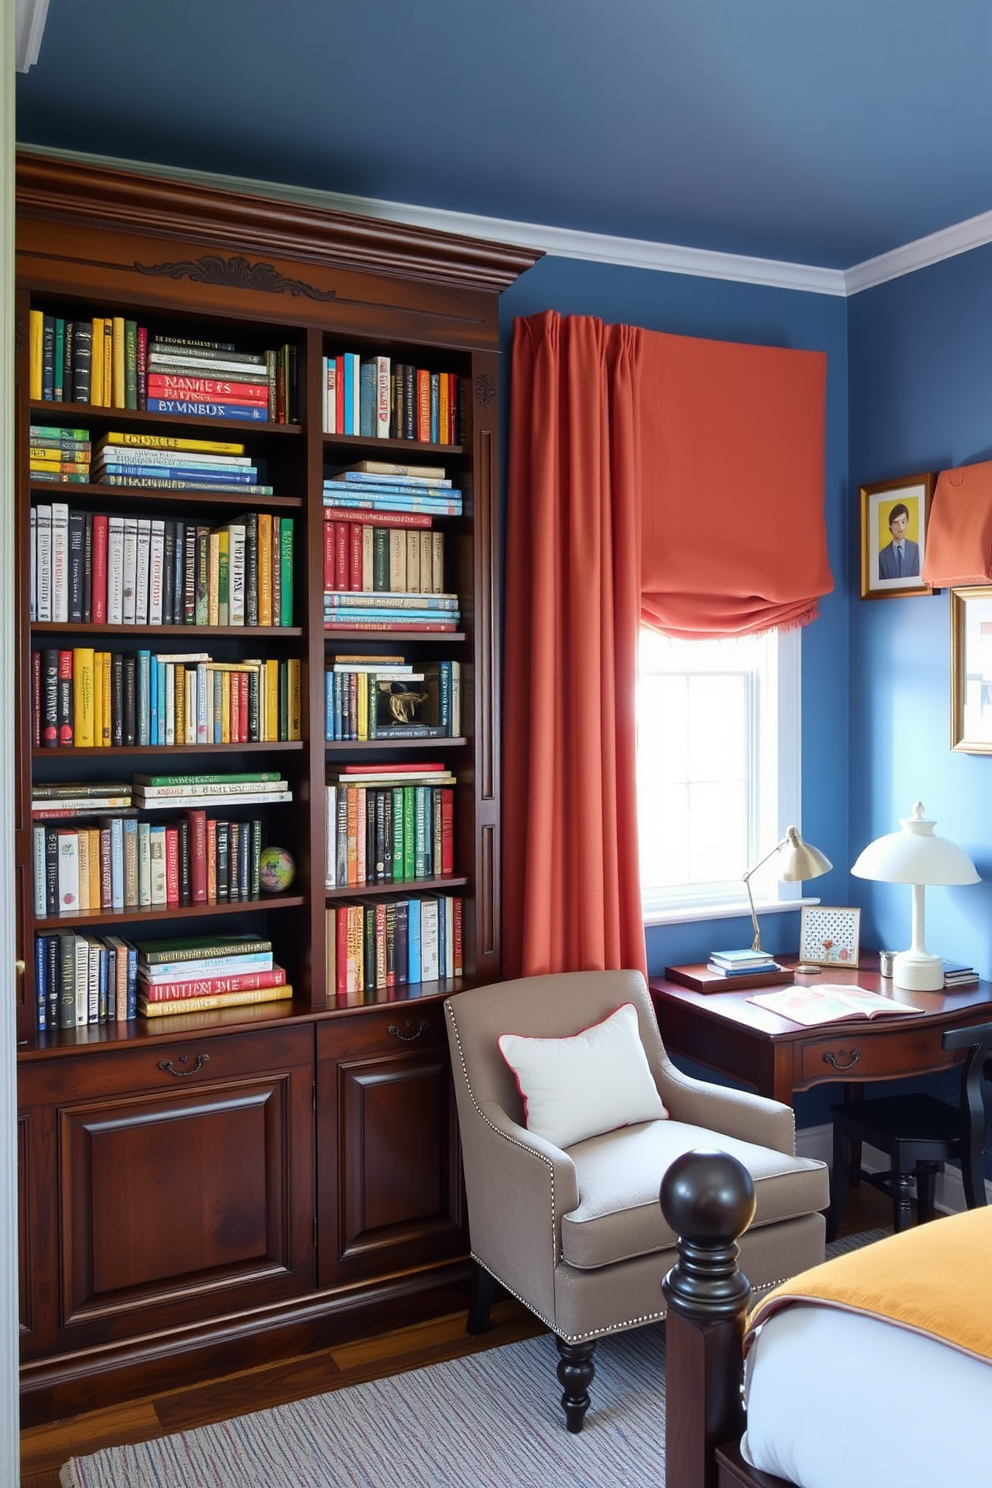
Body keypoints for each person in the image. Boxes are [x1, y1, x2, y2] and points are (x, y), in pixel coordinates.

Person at [878, 502, 919, 580]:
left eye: (903, 522)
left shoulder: (914, 549)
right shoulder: (882, 556)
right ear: (890, 526)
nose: (900, 527)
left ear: (907, 523)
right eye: (896, 523)